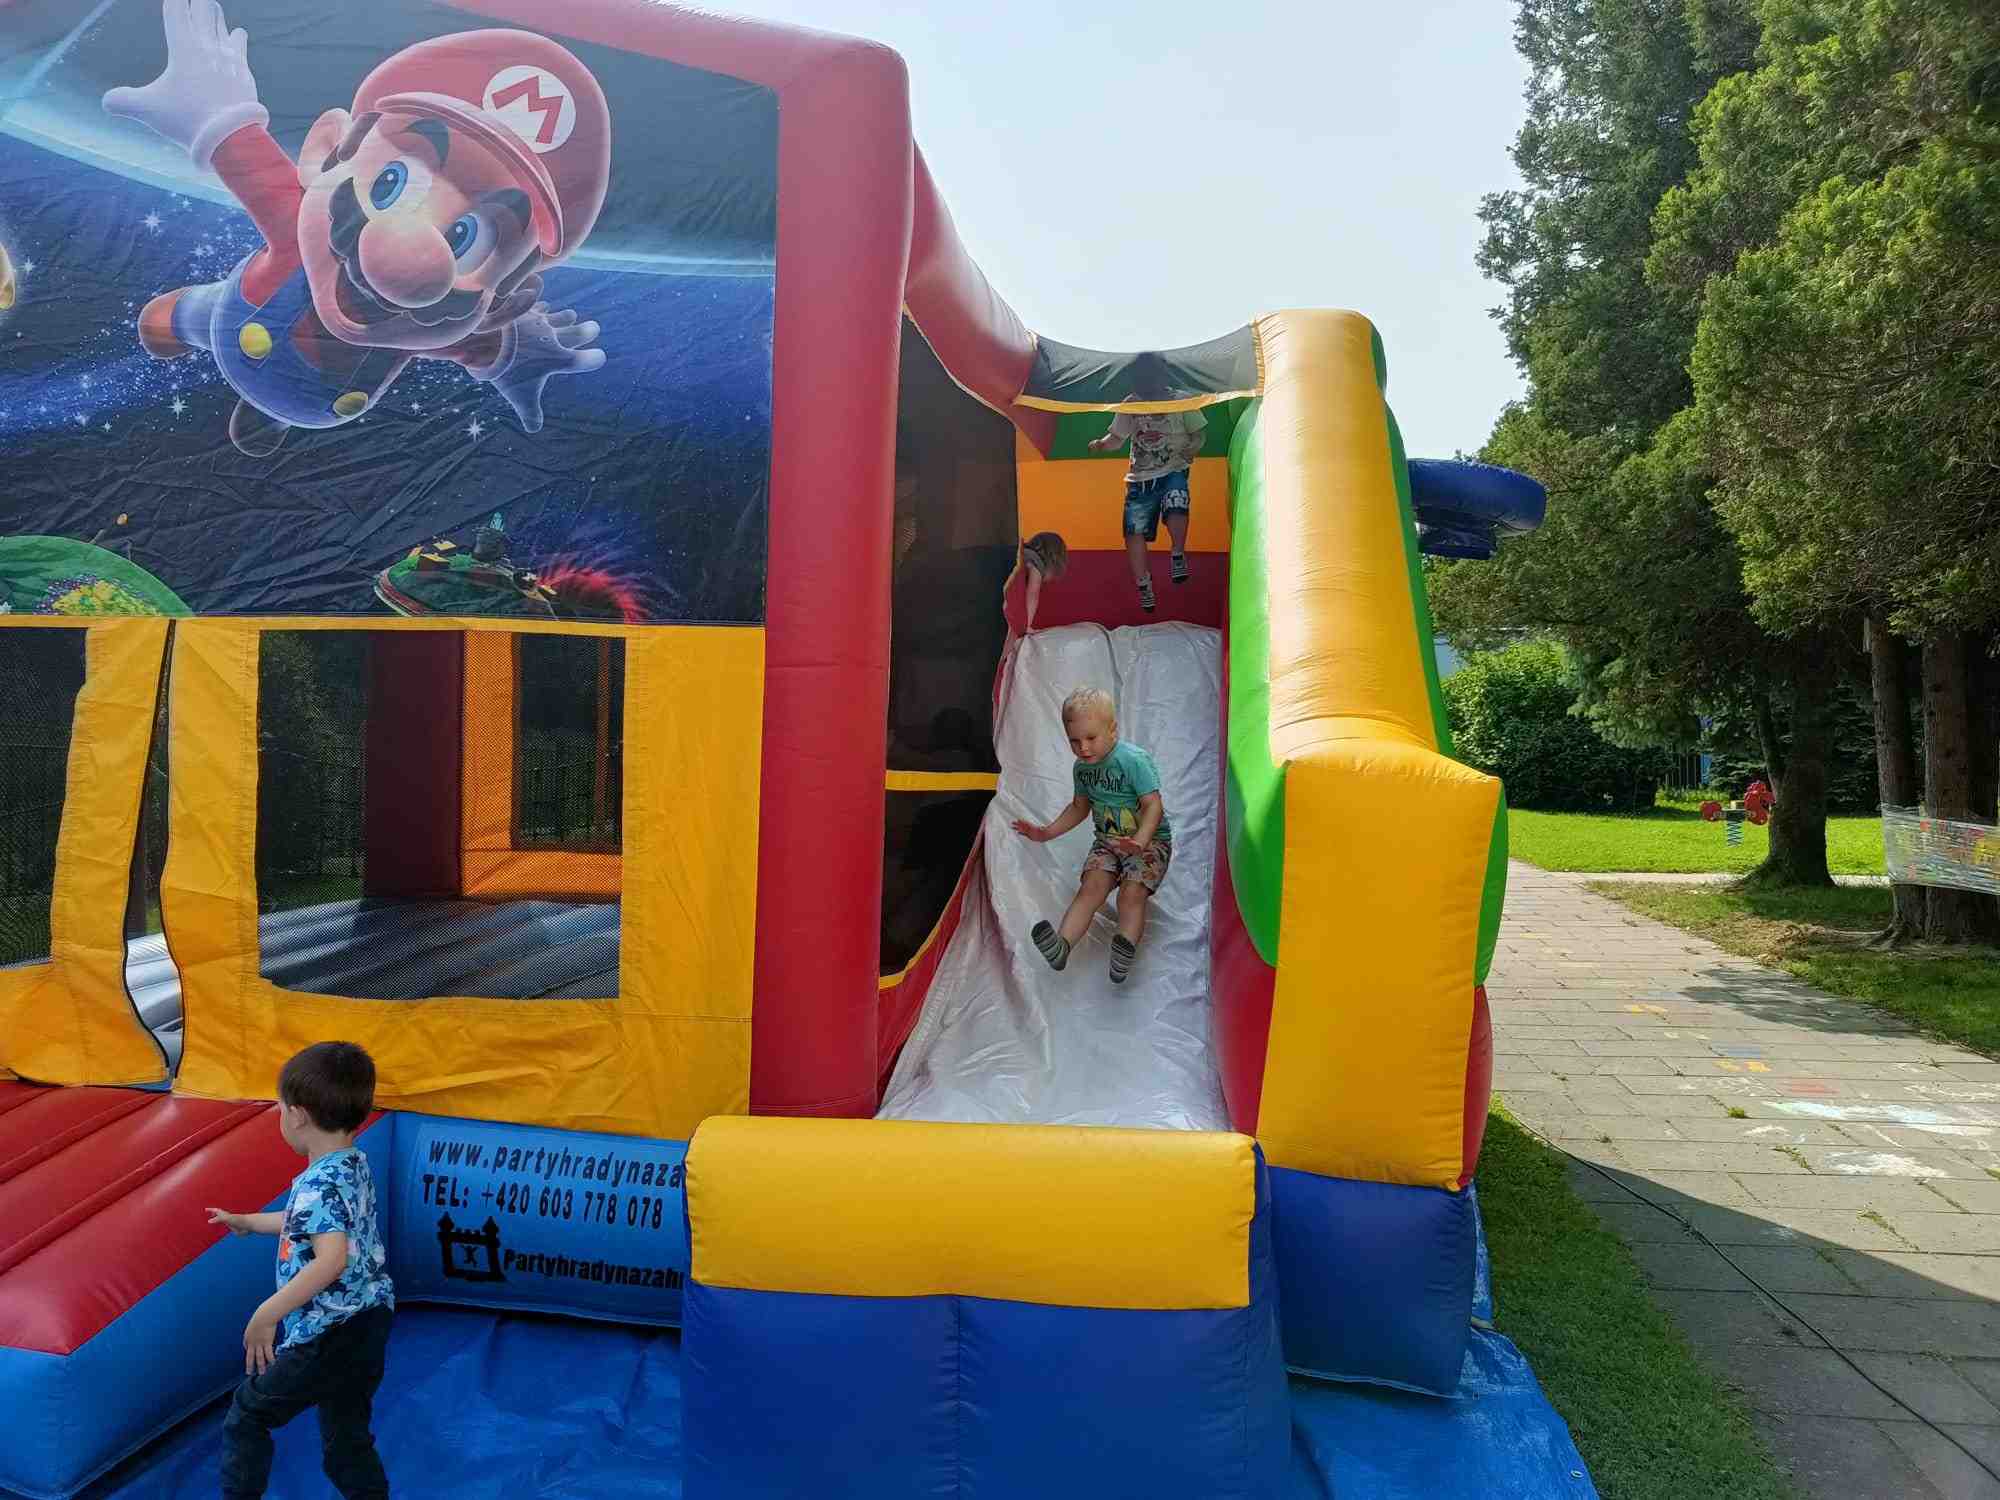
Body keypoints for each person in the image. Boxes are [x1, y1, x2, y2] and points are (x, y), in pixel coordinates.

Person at [207, 1041, 395, 1500]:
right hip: (368, 1323)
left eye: (278, 1110)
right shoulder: (352, 1164)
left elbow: (331, 1259)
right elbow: (316, 1224)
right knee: (345, 1444)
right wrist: (250, 1221)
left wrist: (266, 1314)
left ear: (297, 1116)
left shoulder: (317, 1183)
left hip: (328, 1334)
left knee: (248, 1414)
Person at [1011, 686, 1172, 985]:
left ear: (1112, 730)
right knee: (1091, 887)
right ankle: (1061, 947)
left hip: (1148, 842)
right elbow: (1079, 808)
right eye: (1074, 741)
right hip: (1108, 843)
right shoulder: (1082, 769)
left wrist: (1140, 840)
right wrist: (1045, 833)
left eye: (1091, 738)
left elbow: (1153, 805)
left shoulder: (1133, 760)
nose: (1083, 748)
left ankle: (1124, 949)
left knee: (1131, 894)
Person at [1086, 370, 1206, 613]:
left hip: (1173, 468)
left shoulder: (1181, 400)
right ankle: (1144, 583)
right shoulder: (1132, 403)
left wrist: (1193, 448)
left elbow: (1198, 433)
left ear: (1163, 379)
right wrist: (1101, 444)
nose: (1147, 389)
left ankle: (1178, 553)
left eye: (1151, 382)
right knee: (1134, 531)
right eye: (1142, 384)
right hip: (1141, 478)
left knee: (1176, 502)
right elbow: (1117, 438)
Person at [1019, 530, 1068, 633]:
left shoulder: (1024, 552)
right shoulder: (1036, 563)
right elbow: (1033, 594)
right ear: (1053, 560)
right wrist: (1026, 625)